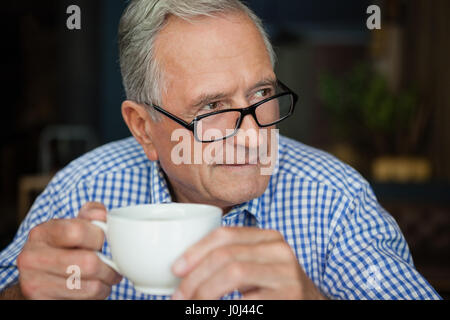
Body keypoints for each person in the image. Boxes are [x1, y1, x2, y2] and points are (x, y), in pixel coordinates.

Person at [0, 0, 441, 300]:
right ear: (144, 129)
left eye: (262, 93)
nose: (253, 137)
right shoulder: (82, 189)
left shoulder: (334, 198)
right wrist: (23, 295)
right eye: (212, 107)